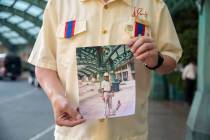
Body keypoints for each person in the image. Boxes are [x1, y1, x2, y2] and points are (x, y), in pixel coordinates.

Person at [28, 0, 182, 139]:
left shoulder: (153, 5)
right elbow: (44, 65)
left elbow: (171, 60)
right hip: (76, 134)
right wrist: (57, 98)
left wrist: (156, 60)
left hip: (128, 134)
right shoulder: (59, 4)